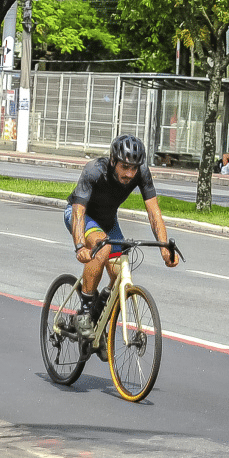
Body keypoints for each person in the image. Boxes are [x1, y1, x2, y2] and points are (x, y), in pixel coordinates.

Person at [65, 134, 180, 355]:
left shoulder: (141, 173)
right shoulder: (94, 171)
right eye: (124, 166)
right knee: (102, 247)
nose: (129, 173)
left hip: (108, 221)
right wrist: (80, 245)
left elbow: (154, 213)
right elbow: (78, 212)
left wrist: (164, 247)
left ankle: (98, 323)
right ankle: (84, 313)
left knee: (120, 271)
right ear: (113, 161)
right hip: (80, 215)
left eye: (133, 168)